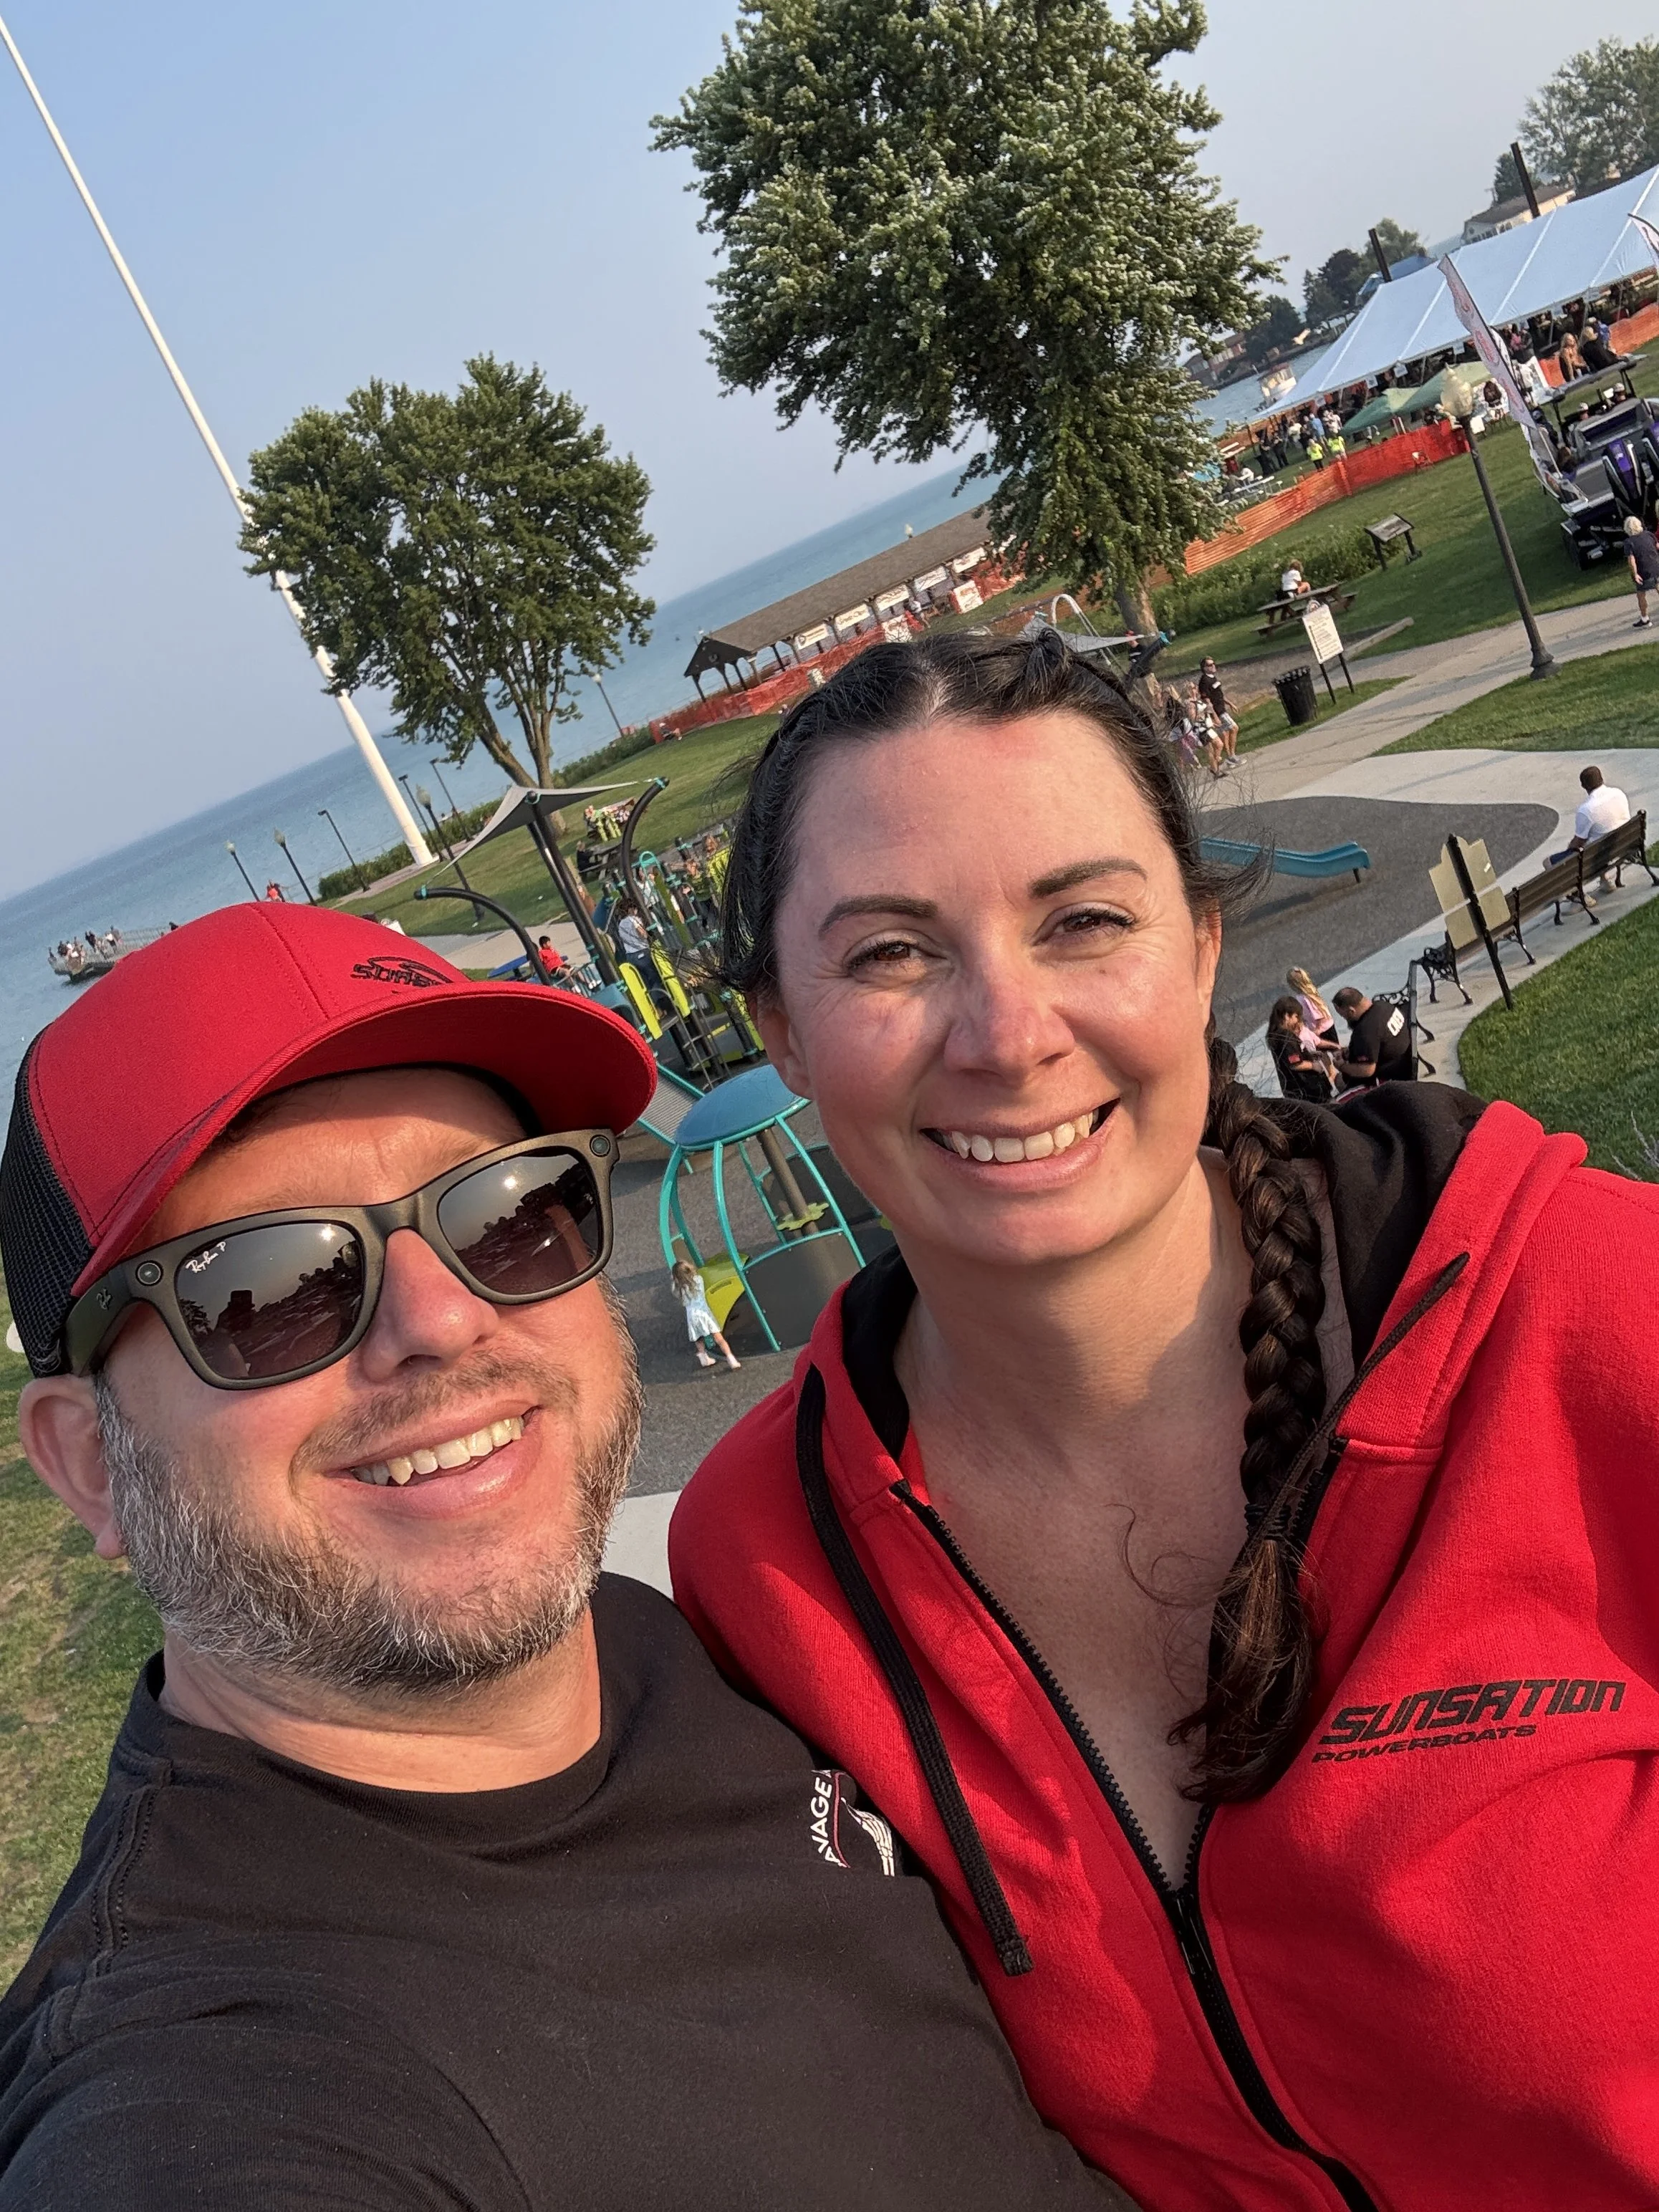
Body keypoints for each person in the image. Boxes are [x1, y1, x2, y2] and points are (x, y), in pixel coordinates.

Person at [667, 627, 1659, 2210]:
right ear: (780, 1029)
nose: (1006, 1033)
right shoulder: (761, 1557)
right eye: (892, 953)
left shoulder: (1588, 1310)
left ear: (1200, 951)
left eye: (1083, 920)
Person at [0, 903, 1128, 2212]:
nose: (443, 1317)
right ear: (90, 1462)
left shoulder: (666, 1644)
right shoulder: (203, 2087)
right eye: (267, 1288)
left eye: (511, 1212)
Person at [1550, 762, 1632, 897]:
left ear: (1584, 786)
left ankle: (1579, 896)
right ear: (1602, 779)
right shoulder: (1618, 793)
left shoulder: (1586, 810)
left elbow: (1578, 843)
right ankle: (1605, 882)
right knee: (1598, 839)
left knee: (1550, 862)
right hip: (1623, 843)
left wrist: (1570, 847)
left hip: (1596, 857)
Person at [1329, 985, 1413, 1087]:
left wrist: (1341, 1066)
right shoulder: (1383, 1006)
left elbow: (1367, 1071)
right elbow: (1377, 1042)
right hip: (1404, 1059)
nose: (1344, 1018)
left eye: (1343, 1015)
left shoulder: (1365, 1031)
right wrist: (1350, 1051)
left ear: (1351, 1011)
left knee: (1338, 1084)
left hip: (1390, 1078)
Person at [670, 1256, 741, 1372]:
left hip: (692, 1316)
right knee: (719, 1338)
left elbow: (675, 1288)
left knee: (699, 1339)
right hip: (704, 1314)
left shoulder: (679, 1289)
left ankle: (704, 1358)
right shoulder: (698, 1280)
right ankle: (731, 1359)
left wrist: (675, 1280)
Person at [1265, 996, 1334, 1102]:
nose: (1298, 1021)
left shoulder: (1275, 1036)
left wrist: (1311, 1054)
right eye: (1296, 1016)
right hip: (1308, 1090)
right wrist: (1314, 1066)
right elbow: (1295, 1063)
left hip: (1296, 1091)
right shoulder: (1286, 1037)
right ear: (1287, 1016)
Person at [1196, 658, 1239, 763]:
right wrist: (1214, 716)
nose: (1213, 666)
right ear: (1205, 668)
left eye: (1214, 664)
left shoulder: (1213, 678)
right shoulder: (1204, 681)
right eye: (1210, 665)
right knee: (1234, 728)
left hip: (1222, 708)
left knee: (1225, 733)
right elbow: (1207, 701)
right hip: (1217, 711)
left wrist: (1230, 704)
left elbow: (1219, 694)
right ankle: (1232, 755)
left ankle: (1229, 757)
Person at [1625, 513, 1658, 630]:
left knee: (1641, 595)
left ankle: (1645, 619)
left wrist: (1635, 574)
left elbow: (1632, 560)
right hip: (1656, 567)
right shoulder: (1649, 535)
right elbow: (1657, 546)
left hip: (1644, 572)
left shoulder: (1629, 542)